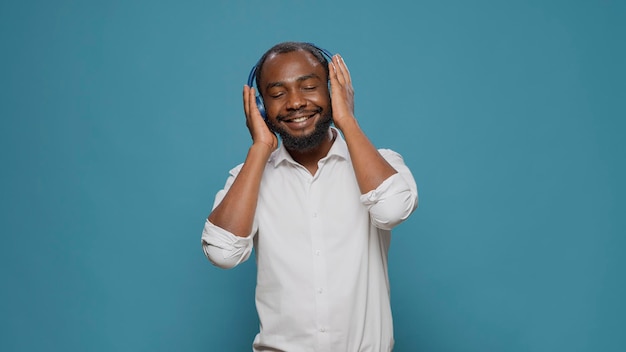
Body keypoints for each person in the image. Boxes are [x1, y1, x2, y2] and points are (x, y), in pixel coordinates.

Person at [201, 41, 418, 352]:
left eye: (309, 87)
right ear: (261, 107)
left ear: (333, 92)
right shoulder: (247, 178)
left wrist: (348, 121)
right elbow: (222, 253)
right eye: (277, 94)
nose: (295, 103)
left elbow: (392, 209)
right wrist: (260, 147)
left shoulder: (383, 164)